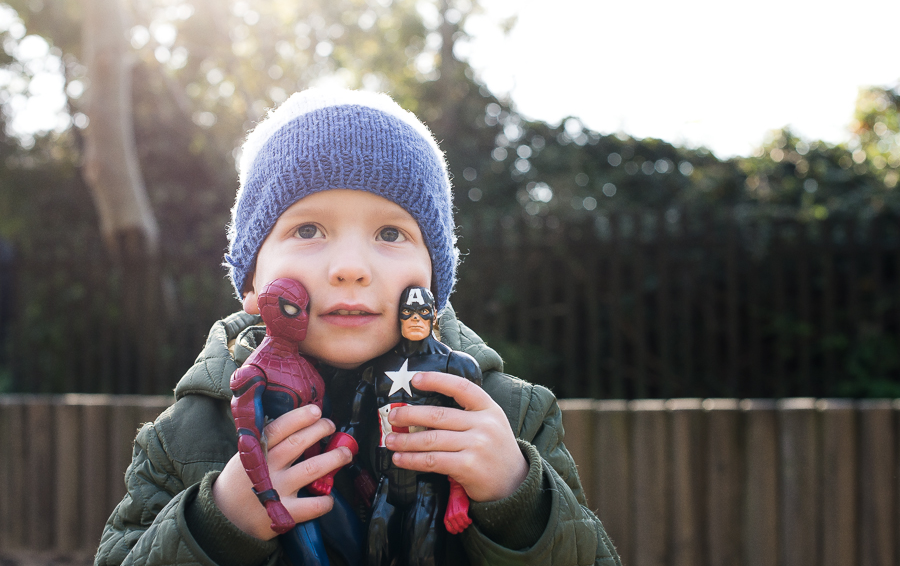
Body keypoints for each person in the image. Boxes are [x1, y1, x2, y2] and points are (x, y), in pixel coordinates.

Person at [95, 88, 622, 566]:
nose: (351, 266)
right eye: (307, 229)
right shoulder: (189, 434)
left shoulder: (508, 417)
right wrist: (217, 525)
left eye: (391, 233)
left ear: (434, 282)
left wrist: (518, 500)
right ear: (252, 281)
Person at [311, 285, 482, 566]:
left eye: (422, 312)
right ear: (398, 316)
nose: (415, 318)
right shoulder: (376, 366)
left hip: (429, 484)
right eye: (408, 312)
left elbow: (466, 434)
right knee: (374, 553)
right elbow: (354, 425)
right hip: (387, 481)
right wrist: (330, 465)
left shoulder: (455, 365)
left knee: (421, 556)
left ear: (434, 315)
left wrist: (458, 492)